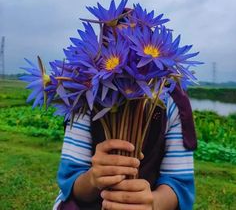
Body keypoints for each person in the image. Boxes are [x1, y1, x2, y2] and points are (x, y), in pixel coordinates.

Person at [53, 85, 197, 210]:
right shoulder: (83, 95)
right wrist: (92, 179)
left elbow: (179, 184)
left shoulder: (174, 100)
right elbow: (71, 182)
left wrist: (154, 204)